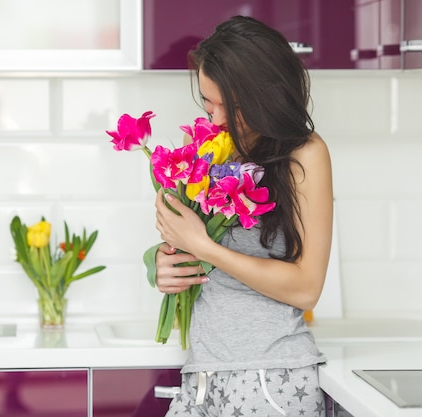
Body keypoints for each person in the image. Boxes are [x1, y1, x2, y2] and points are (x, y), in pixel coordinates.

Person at [153, 15, 334, 417]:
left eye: (228, 106)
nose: (214, 118)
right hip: (201, 377)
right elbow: (187, 247)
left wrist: (202, 246)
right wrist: (162, 265)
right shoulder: (204, 143)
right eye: (207, 102)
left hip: (270, 381)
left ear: (264, 95)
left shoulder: (305, 154)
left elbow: (306, 288)